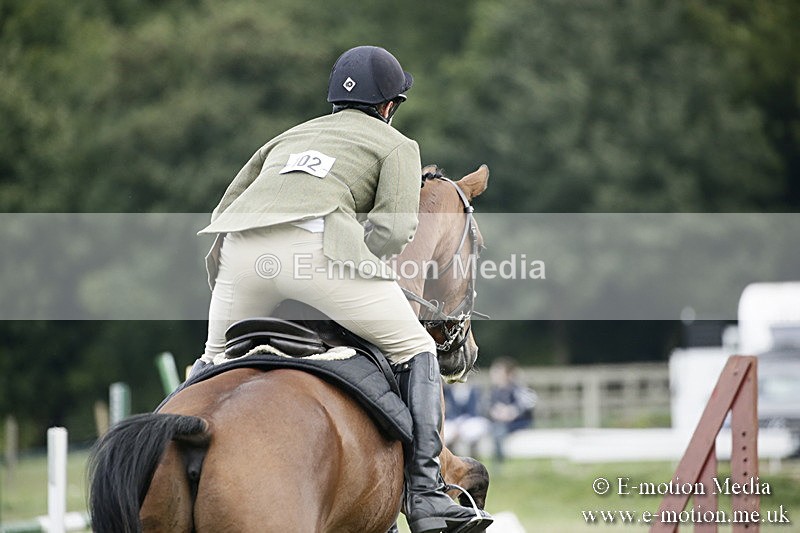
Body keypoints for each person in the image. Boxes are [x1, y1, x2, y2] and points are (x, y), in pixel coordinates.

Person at [193, 46, 491, 533]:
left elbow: (226, 207)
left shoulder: (287, 136)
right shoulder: (396, 144)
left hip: (241, 254)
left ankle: (166, 437)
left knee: (213, 360)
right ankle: (427, 497)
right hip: (314, 252)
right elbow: (394, 232)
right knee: (415, 345)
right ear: (389, 107)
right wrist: (359, 254)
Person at [487, 358, 537, 463]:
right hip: (500, 422)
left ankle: (499, 461)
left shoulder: (517, 388)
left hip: (517, 422)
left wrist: (512, 411)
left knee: (498, 431)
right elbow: (489, 408)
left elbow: (527, 404)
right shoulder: (495, 391)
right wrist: (496, 413)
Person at [444, 382, 491, 458]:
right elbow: (450, 412)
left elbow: (473, 411)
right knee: (449, 434)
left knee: (472, 432)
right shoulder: (449, 391)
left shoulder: (473, 391)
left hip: (469, 421)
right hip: (454, 421)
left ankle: (473, 454)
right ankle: (451, 457)